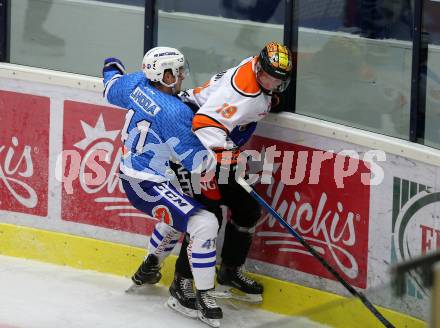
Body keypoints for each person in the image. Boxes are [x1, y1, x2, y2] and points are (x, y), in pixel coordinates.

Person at [130, 42, 294, 307]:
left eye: (278, 80)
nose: (272, 82)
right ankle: (181, 283)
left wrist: (269, 94)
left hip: (211, 148)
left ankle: (229, 270)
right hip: (194, 149)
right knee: (206, 215)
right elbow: (203, 123)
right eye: (268, 76)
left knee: (247, 208)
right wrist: (225, 153)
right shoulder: (244, 94)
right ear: (259, 66)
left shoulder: (254, 70)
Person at [102, 47, 224, 327]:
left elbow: (110, 85)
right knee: (204, 222)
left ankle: (150, 267)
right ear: (163, 74)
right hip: (147, 184)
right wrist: (225, 155)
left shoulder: (134, 83)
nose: (182, 75)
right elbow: (197, 163)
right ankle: (202, 297)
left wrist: (112, 64)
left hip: (134, 176)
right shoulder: (175, 111)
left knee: (177, 216)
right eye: (177, 71)